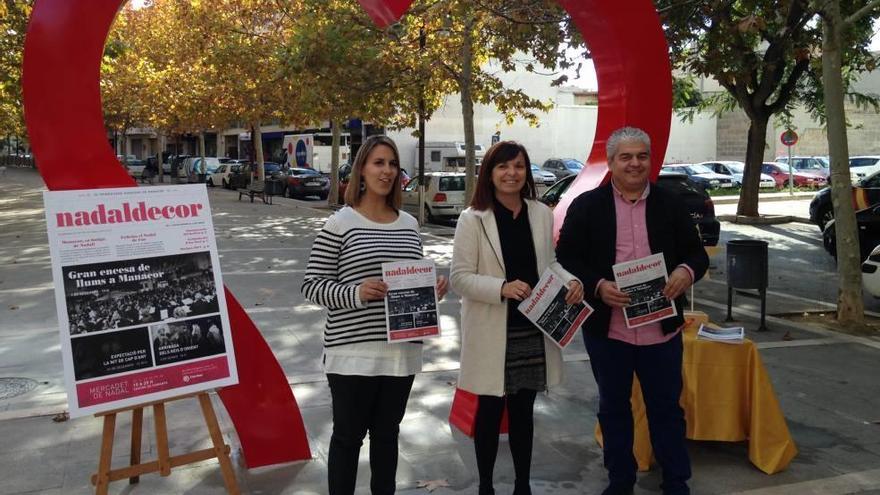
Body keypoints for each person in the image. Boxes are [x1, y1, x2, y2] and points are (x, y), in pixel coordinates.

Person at [556, 127, 709, 495]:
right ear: (610, 162)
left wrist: (683, 273)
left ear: (650, 160)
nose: (634, 163)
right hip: (609, 331)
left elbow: (696, 254)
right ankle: (620, 481)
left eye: (642, 155)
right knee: (613, 409)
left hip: (662, 330)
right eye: (625, 156)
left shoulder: (670, 203)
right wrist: (598, 286)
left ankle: (676, 482)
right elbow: (567, 256)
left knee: (667, 410)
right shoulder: (587, 206)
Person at [301, 135, 448, 495]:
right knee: (348, 440)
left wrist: (431, 293)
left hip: (401, 353)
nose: (387, 171)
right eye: (378, 163)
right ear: (362, 170)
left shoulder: (410, 224)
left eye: (393, 164)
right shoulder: (341, 223)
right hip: (351, 354)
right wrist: (356, 292)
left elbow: (411, 286)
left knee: (387, 438)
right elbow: (312, 285)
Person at [450, 141, 584, 495]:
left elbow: (549, 263)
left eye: (519, 166)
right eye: (503, 167)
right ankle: (485, 486)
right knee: (490, 412)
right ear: (489, 174)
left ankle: (523, 485)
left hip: (533, 327)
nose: (512, 173)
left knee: (524, 411)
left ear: (527, 172)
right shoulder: (473, 218)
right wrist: (502, 288)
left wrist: (571, 280)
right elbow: (460, 278)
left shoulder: (540, 213)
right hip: (494, 330)